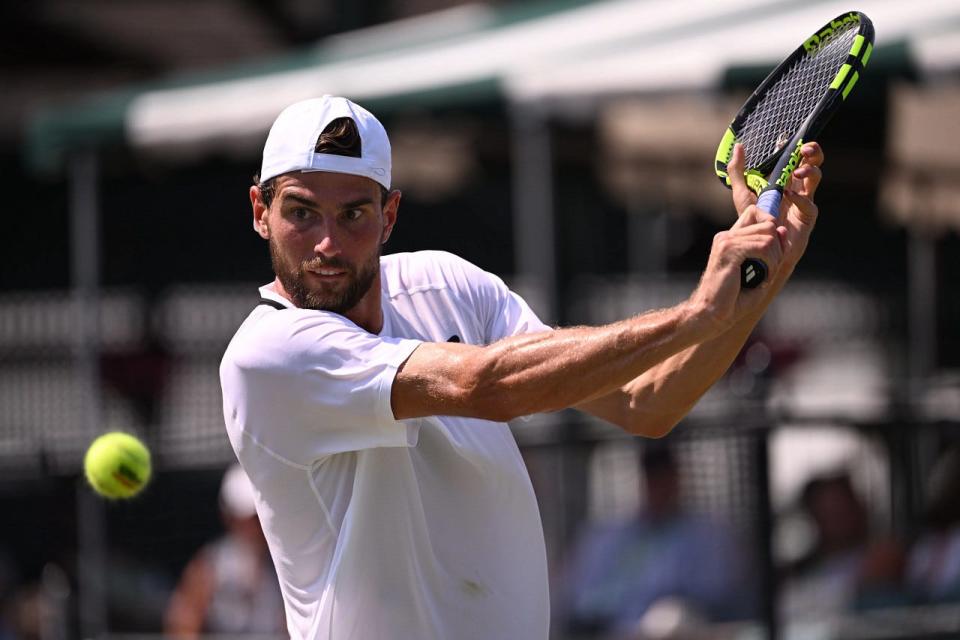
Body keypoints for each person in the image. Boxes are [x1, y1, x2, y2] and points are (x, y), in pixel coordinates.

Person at [219, 95, 825, 639]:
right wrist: (697, 312)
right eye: (301, 213)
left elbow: (647, 404)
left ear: (390, 216)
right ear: (259, 211)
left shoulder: (445, 282)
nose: (326, 242)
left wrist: (759, 284)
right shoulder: (267, 354)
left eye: (353, 214)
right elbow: (481, 386)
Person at [560, 444, 753, 636]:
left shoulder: (707, 534)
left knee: (668, 619)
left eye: (664, 477)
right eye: (652, 477)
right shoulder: (609, 535)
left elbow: (716, 594)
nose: (659, 487)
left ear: (676, 479)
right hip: (611, 630)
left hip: (679, 630)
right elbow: (583, 599)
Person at [164, 464, 285, 638]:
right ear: (228, 517)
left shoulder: (289, 566)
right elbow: (182, 626)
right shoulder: (210, 566)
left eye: (260, 517)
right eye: (249, 518)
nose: (257, 526)